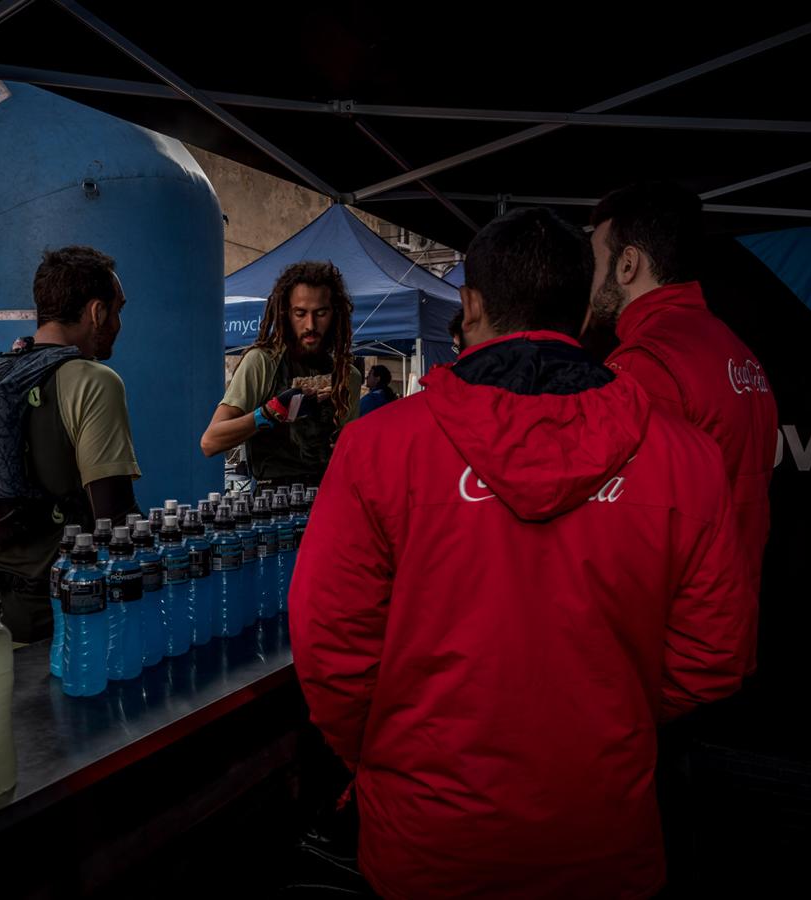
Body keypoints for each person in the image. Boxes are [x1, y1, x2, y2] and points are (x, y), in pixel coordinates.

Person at [289, 207, 755, 899]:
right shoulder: (686, 458)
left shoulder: (379, 447)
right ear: (583, 311)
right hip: (601, 831)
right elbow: (713, 654)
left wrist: (389, 752)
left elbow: (328, 642)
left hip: (430, 838)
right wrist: (608, 713)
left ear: (470, 304)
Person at [588, 181, 778, 646]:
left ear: (627, 264)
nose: (588, 279)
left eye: (595, 261)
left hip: (671, 637)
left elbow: (625, 535)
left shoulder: (644, 364)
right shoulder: (734, 349)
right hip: (724, 621)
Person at [0, 246, 140, 643]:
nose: (118, 322)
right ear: (96, 312)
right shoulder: (94, 381)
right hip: (40, 629)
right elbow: (115, 521)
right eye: (117, 311)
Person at [200, 261, 362, 490]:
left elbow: (351, 456)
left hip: (329, 498)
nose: (310, 325)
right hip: (273, 505)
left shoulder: (347, 375)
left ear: (335, 314)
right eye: (300, 313)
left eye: (321, 313)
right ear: (286, 314)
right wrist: (269, 412)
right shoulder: (263, 362)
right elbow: (210, 441)